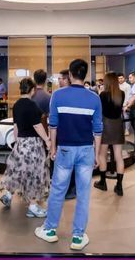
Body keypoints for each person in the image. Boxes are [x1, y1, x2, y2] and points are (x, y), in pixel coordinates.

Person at [35, 59, 103, 251]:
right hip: (86, 150)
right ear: (85, 75)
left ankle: (50, 230)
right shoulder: (94, 98)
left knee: (58, 190)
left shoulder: (58, 95)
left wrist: (52, 148)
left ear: (71, 75)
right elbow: (98, 129)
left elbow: (53, 124)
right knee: (83, 193)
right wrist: (97, 154)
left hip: (64, 149)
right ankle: (78, 237)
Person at [0, 78, 51, 217]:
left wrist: (17, 142)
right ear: (32, 90)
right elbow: (37, 126)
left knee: (17, 169)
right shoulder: (32, 105)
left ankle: (8, 194)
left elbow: (16, 126)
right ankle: (32, 206)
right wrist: (47, 140)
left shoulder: (16, 105)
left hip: (21, 142)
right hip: (32, 144)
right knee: (34, 173)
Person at [94, 72, 125, 196]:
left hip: (106, 125)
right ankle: (119, 186)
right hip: (117, 125)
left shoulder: (103, 94)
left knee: (102, 155)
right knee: (119, 156)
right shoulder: (121, 94)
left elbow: (100, 110)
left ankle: (103, 182)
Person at [56, 68, 76, 200]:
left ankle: (70, 189)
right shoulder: (59, 94)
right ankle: (70, 188)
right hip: (67, 134)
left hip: (67, 134)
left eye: (60, 79)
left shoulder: (59, 95)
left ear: (67, 79)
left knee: (68, 164)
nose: (58, 81)